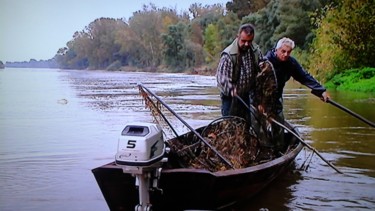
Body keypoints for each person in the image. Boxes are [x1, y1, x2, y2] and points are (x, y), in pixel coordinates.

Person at [262, 37, 330, 150]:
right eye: (283, 51)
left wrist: (321, 91)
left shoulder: (290, 63)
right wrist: (260, 104)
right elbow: (255, 84)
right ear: (277, 50)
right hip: (261, 99)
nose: (285, 55)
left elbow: (304, 76)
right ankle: (263, 149)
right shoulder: (266, 62)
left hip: (276, 98)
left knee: (278, 125)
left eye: (288, 52)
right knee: (259, 127)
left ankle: (278, 150)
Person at [216, 23, 263, 122]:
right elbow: (221, 78)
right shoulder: (228, 55)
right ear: (238, 37)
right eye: (243, 41)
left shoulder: (256, 52)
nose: (246, 44)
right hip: (229, 98)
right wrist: (231, 89)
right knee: (230, 126)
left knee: (246, 125)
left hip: (246, 95)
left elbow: (261, 72)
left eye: (249, 41)